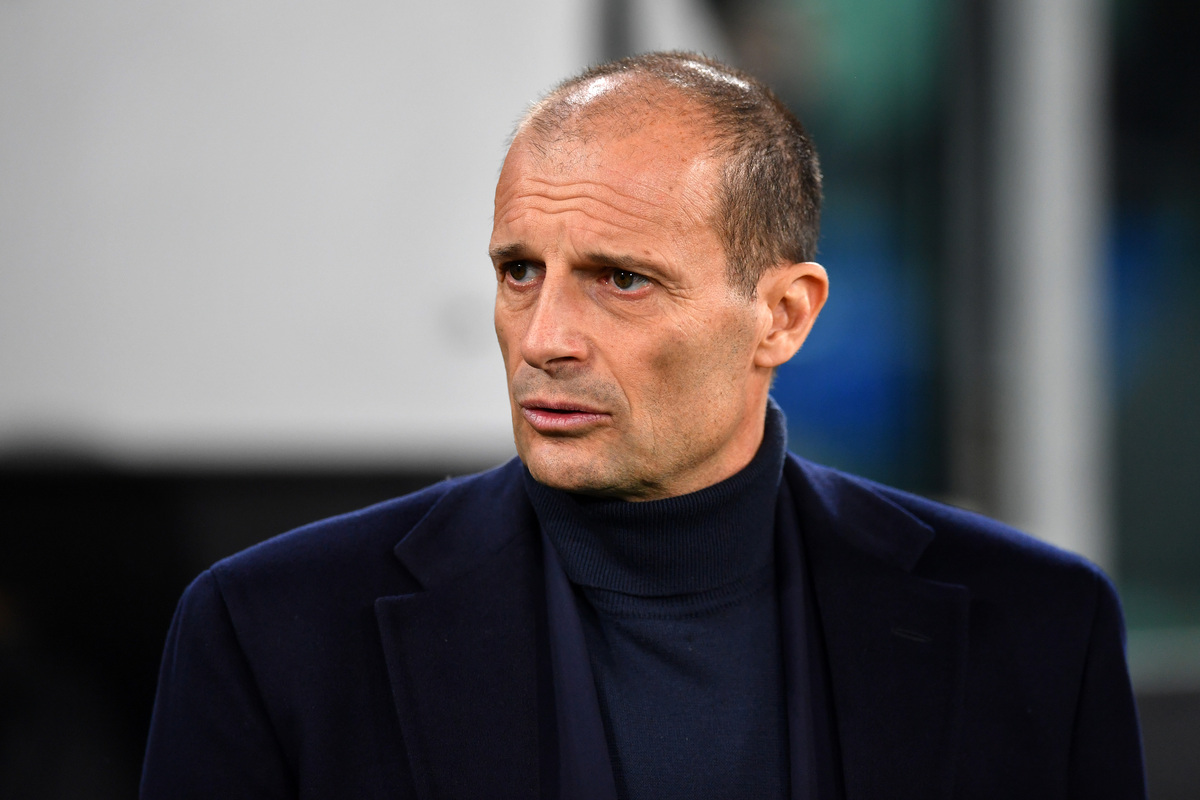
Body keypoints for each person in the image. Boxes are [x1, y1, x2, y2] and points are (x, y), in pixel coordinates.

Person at [141, 52, 1145, 799]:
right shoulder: (270, 631)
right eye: (519, 271)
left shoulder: (1040, 626)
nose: (544, 338)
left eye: (620, 279)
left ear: (783, 316)